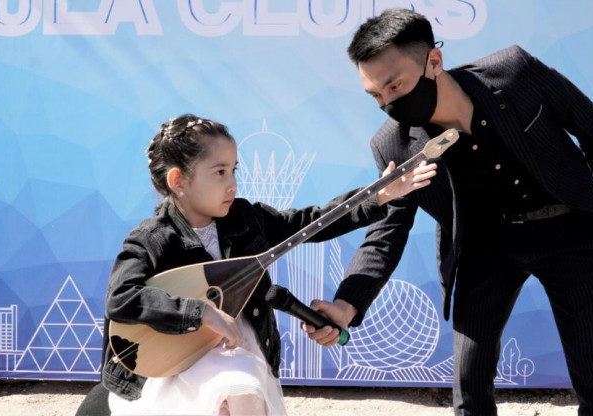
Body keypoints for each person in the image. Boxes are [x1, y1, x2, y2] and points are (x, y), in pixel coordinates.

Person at [302, 8, 593, 416]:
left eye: (395, 85)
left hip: (566, 229)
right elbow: (386, 234)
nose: (389, 103)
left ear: (434, 61)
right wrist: (347, 304)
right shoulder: (394, 146)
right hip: (486, 248)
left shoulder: (514, 73)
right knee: (469, 382)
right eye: (376, 96)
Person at [101, 113, 437, 415]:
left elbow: (311, 222)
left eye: (234, 170)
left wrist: (377, 196)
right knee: (236, 384)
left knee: (243, 384)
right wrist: (200, 312)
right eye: (219, 172)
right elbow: (121, 297)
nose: (232, 183)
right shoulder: (153, 238)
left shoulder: (245, 218)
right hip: (176, 362)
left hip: (239, 347)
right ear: (178, 181)